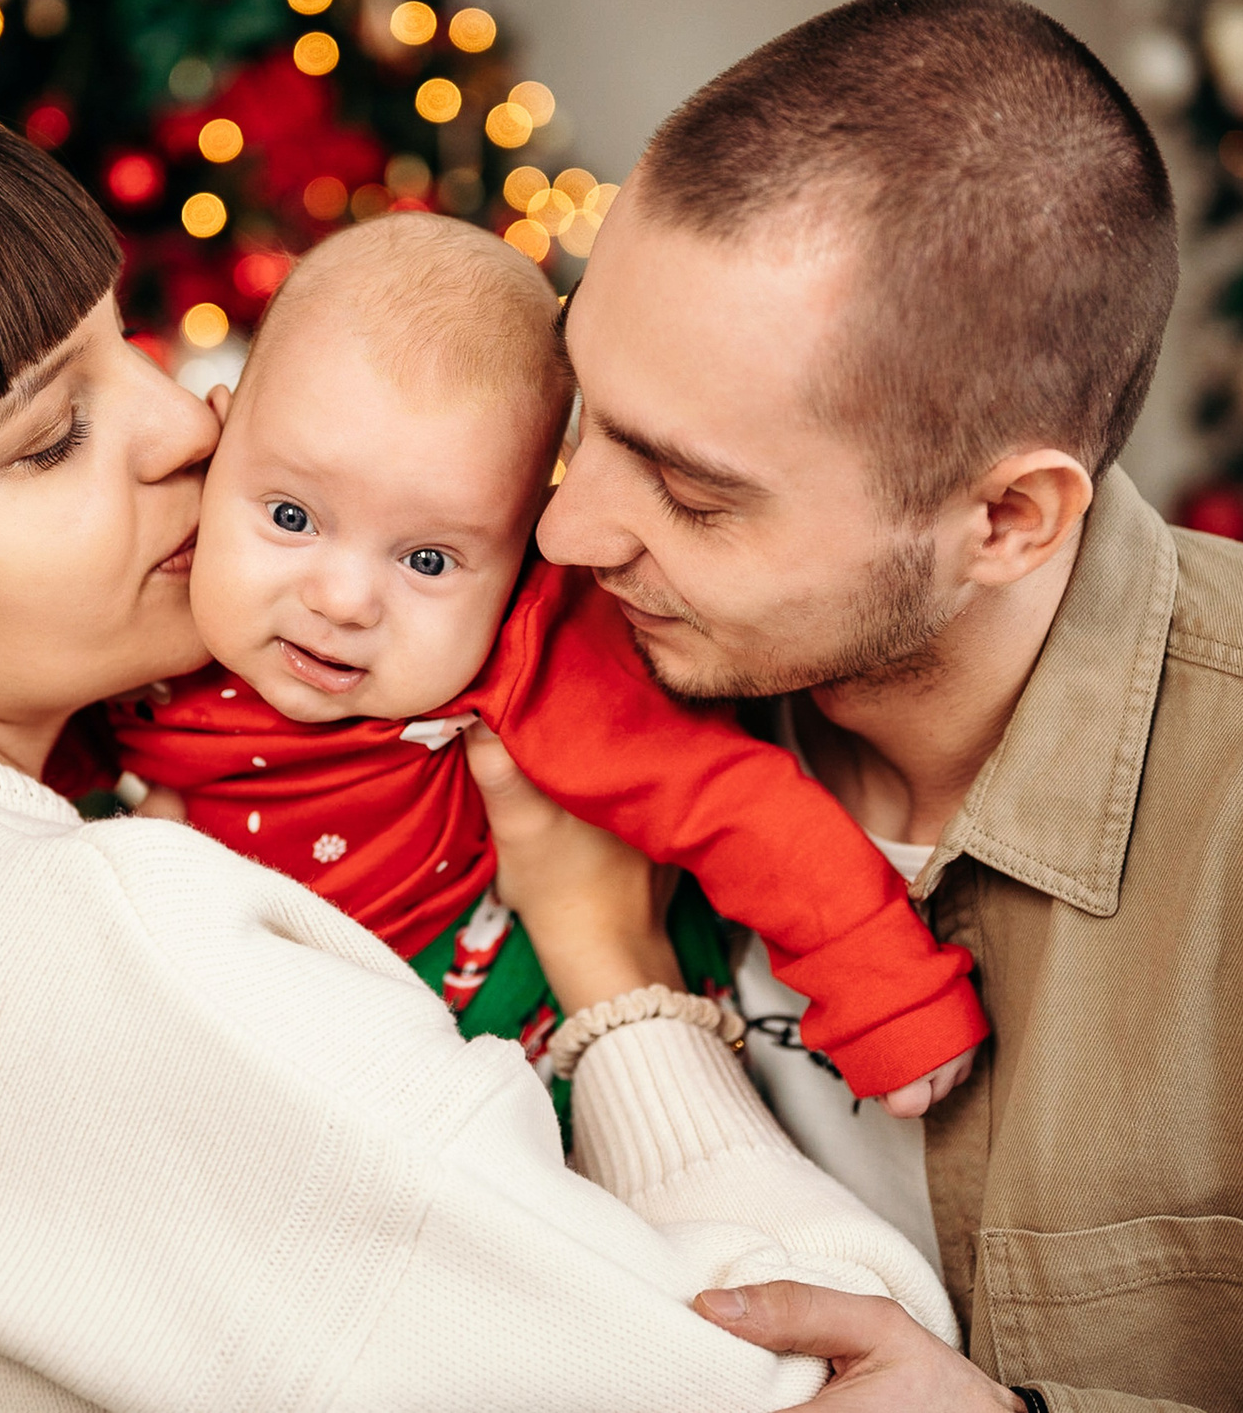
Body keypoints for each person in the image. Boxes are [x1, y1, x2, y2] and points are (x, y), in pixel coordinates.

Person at [0, 91, 954, 1413]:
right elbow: (809, 1364)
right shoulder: (101, 941)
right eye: (50, 436)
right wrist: (613, 975)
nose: (187, 427)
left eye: (125, 345)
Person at [518, 0, 1243, 1408]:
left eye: (694, 492)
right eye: (583, 407)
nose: (567, 526)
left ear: (1007, 515)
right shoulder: (547, 680)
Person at [87, 212, 985, 1114]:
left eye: (428, 560)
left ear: (521, 553)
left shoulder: (531, 660)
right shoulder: (158, 596)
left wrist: (889, 992)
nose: (341, 599)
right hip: (245, 995)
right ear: (217, 441)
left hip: (475, 996)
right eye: (291, 517)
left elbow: (729, 801)